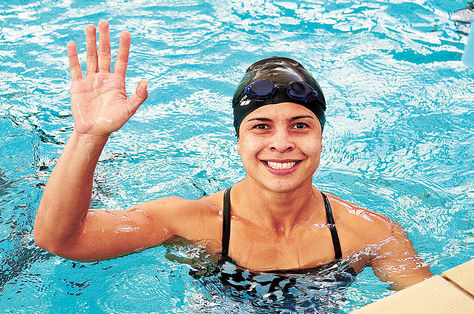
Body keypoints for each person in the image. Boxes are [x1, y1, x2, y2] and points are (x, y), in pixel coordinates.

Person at [34, 20, 432, 292]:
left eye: (300, 125)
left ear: (321, 136)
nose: (281, 143)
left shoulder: (371, 233)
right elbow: (63, 240)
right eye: (260, 127)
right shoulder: (191, 221)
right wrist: (89, 137)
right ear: (237, 140)